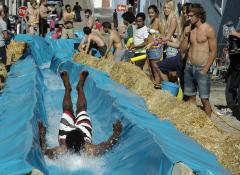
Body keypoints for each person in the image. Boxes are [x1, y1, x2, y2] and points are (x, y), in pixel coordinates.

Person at [42, 71, 122, 158]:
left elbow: (45, 151)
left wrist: (42, 135)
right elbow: (108, 145)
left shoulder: (61, 151)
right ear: (84, 143)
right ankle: (79, 88)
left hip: (69, 132)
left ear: (66, 143)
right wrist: (117, 132)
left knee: (68, 111)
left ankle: (68, 89)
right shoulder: (90, 151)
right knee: (81, 110)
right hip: (83, 131)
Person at [180, 3, 217, 117]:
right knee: (190, 97)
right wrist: (186, 36)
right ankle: (194, 122)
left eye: (191, 16)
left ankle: (208, 125)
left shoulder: (208, 29)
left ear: (199, 15)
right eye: (188, 16)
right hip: (189, 66)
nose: (188, 18)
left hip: (202, 68)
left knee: (204, 99)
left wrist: (205, 69)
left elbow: (213, 51)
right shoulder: (188, 29)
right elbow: (182, 49)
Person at [0, 5, 9, 69]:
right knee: (3, 62)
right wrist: (9, 37)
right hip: (1, 44)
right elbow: (5, 36)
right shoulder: (2, 22)